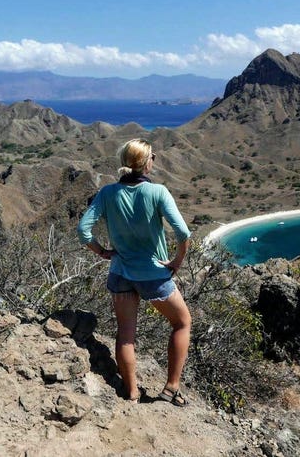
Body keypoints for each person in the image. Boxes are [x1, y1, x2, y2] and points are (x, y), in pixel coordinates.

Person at [77, 138, 192, 406]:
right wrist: (177, 260)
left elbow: (83, 231)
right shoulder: (158, 192)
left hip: (120, 273)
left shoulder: (107, 193)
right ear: (145, 162)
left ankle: (131, 393)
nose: (154, 160)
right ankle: (171, 388)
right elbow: (183, 232)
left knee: (126, 334)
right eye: (153, 156)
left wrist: (102, 252)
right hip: (153, 274)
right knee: (182, 322)